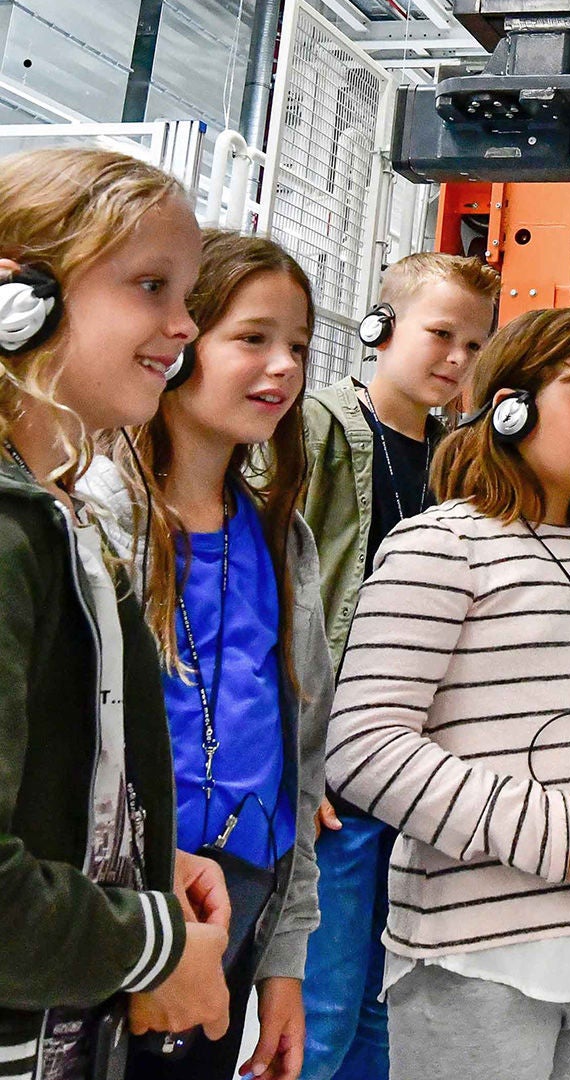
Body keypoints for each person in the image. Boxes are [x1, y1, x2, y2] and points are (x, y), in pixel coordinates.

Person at [323, 307, 570, 1080]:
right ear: (512, 406)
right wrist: (550, 830)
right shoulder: (438, 546)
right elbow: (363, 746)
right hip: (477, 958)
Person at [0, 147, 230, 1078]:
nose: (184, 326)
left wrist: (131, 858)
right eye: (149, 286)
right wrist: (149, 945)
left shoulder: (57, 513)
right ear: (24, 299)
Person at [82, 232, 331, 1080]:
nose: (285, 367)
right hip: (119, 908)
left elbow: (300, 760)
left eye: (297, 345)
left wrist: (283, 965)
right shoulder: (96, 519)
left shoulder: (280, 537)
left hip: (242, 899)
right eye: (253, 338)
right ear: (182, 341)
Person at [299, 252, 498, 1080]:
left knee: (388, 1005)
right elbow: (287, 602)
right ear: (381, 329)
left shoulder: (461, 461)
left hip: (422, 777)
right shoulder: (318, 433)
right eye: (441, 334)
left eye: (474, 344)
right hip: (339, 780)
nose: (457, 359)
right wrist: (300, 764)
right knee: (325, 1009)